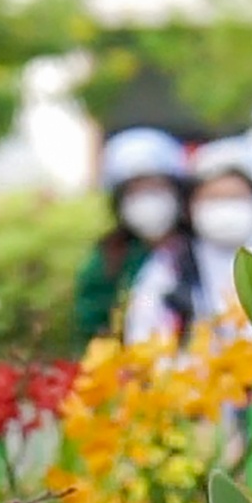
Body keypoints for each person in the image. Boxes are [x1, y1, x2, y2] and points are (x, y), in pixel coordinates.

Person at [124, 134, 252, 348]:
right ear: (191, 206)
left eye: (235, 197)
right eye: (214, 198)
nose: (226, 210)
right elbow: (142, 338)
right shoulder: (169, 267)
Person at [74, 127, 188, 348]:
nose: (147, 200)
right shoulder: (108, 260)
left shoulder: (197, 250)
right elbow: (90, 335)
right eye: (135, 191)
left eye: (155, 188)